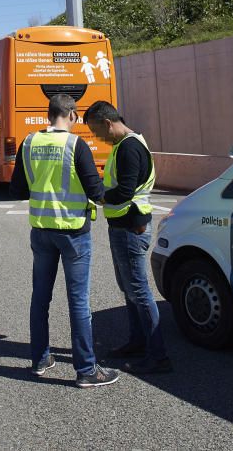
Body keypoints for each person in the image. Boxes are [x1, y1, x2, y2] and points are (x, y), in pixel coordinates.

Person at [9, 94, 119, 388]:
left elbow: (17, 188)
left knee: (40, 298)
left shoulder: (29, 143)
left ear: (49, 114)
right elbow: (96, 192)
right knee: (78, 301)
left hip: (41, 230)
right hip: (73, 232)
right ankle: (85, 370)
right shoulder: (75, 145)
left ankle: (40, 359)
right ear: (72, 114)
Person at [83, 100, 171, 374]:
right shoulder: (126, 145)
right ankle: (137, 342)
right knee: (130, 288)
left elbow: (124, 192)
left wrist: (97, 195)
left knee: (139, 291)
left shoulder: (129, 148)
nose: (97, 137)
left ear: (108, 123)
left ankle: (158, 356)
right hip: (124, 227)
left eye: (97, 131)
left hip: (131, 228)